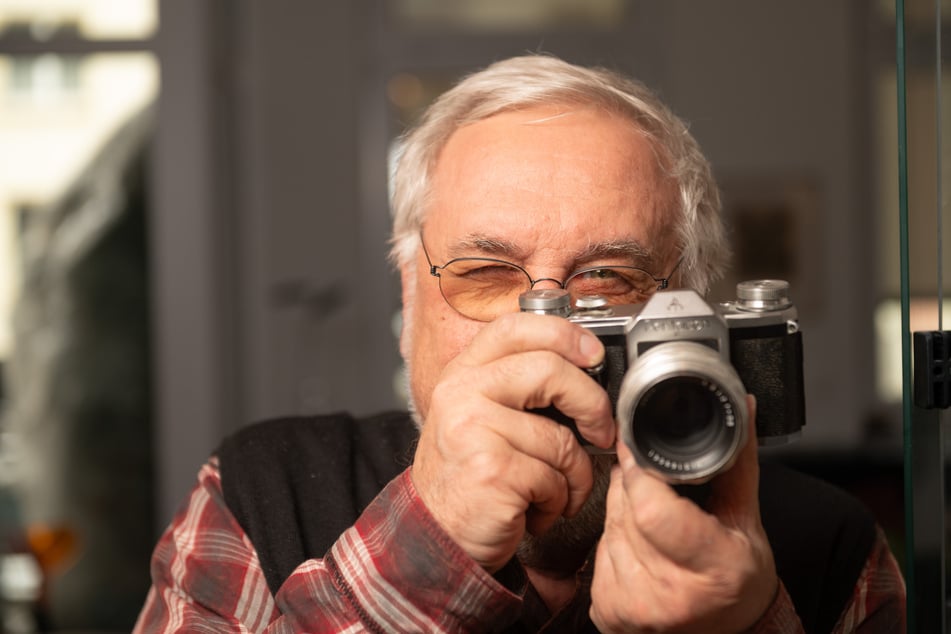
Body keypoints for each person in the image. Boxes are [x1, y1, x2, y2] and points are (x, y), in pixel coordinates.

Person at [134, 54, 905, 632]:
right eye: (483, 273)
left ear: (689, 313)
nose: (542, 332)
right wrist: (421, 557)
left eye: (605, 279)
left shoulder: (828, 548)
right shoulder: (259, 494)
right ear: (410, 293)